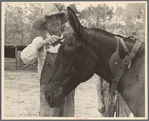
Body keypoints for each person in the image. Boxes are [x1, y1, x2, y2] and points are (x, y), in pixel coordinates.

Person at [21, 3, 74, 117]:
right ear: (45, 24)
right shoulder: (39, 40)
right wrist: (42, 44)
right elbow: (24, 57)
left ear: (61, 21)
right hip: (49, 94)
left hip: (68, 93)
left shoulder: (69, 41)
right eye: (50, 19)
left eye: (57, 18)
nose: (55, 22)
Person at [97, 28, 134, 117]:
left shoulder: (128, 59)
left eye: (121, 39)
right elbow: (99, 82)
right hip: (107, 96)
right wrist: (99, 101)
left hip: (122, 97)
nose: (118, 41)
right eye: (116, 38)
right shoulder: (103, 57)